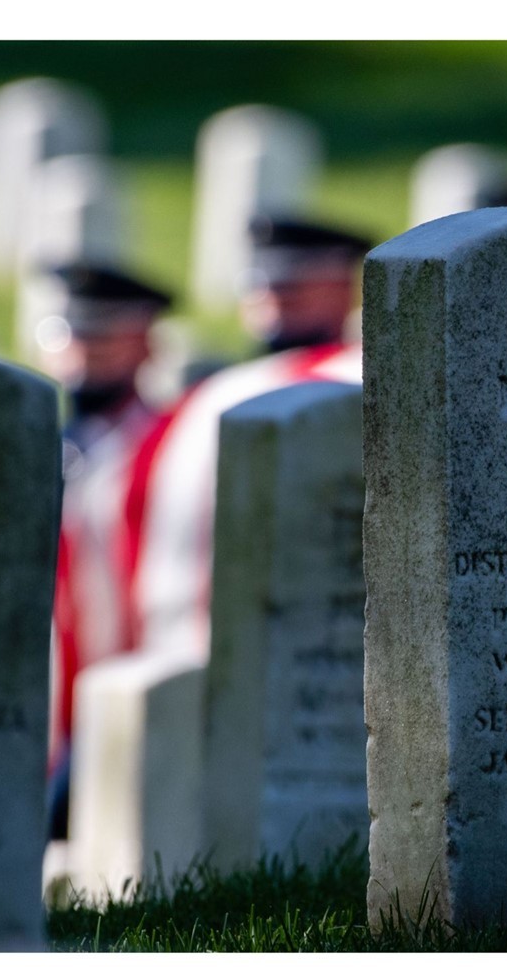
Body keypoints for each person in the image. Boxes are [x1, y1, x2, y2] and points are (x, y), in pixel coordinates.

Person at [122, 215, 368, 658]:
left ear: (343, 285)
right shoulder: (213, 393)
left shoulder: (361, 378)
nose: (274, 294)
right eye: (267, 282)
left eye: (296, 282)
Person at [39, 259, 173, 839]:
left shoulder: (167, 446)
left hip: (123, 674)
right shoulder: (41, 444)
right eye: (71, 335)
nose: (84, 352)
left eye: (103, 335)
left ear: (144, 343)